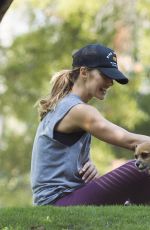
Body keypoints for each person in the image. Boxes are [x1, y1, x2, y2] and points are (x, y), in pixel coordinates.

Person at [30, 44, 150, 206]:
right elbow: (131, 141)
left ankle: (132, 211)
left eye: (112, 77)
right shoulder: (77, 110)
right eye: (105, 75)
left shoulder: (65, 105)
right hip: (57, 203)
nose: (111, 82)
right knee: (139, 167)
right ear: (84, 72)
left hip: (66, 198)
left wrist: (84, 166)